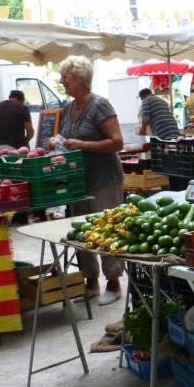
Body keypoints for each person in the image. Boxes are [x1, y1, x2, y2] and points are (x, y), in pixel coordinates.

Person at [59, 56, 124, 306]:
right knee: (82, 232)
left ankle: (114, 283)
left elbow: (116, 142)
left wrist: (82, 144)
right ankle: (91, 282)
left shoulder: (100, 105)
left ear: (79, 79)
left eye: (65, 77)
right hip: (78, 181)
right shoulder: (67, 107)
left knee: (106, 230)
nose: (62, 81)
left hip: (103, 179)